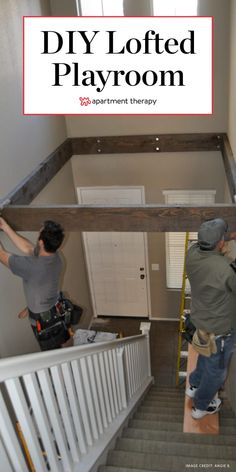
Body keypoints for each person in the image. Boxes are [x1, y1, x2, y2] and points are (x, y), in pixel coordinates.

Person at [185, 218, 236, 419]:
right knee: (217, 372)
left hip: (200, 322)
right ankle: (201, 407)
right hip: (220, 329)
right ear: (221, 244)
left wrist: (227, 236)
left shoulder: (192, 254)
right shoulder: (226, 268)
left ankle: (194, 384)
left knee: (206, 353)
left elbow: (206, 243)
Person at [0, 217, 70, 350]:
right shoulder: (55, 256)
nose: (38, 235)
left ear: (41, 242)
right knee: (64, 340)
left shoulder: (32, 267)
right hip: (55, 309)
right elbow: (28, 248)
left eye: (39, 233)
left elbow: (1, 255)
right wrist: (5, 227)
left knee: (52, 352)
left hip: (43, 322)